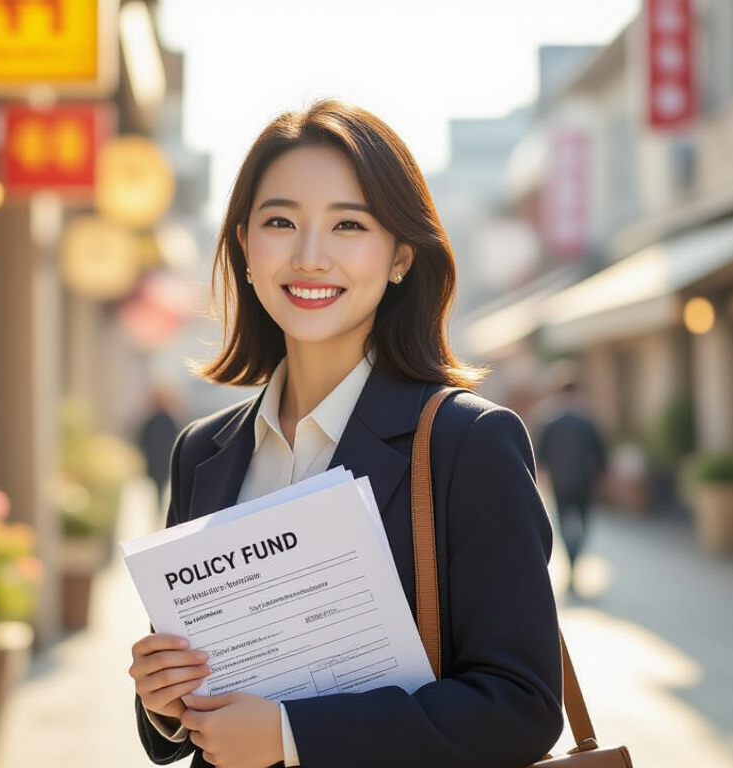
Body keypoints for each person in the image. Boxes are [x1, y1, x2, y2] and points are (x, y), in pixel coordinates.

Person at [128, 101, 562, 768]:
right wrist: (165, 702)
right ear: (245, 246)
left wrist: (290, 737)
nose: (309, 256)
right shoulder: (202, 453)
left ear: (399, 258)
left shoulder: (466, 444)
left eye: (348, 225)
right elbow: (190, 704)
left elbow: (522, 707)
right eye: (280, 222)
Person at [533, 367, 608, 596]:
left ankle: (572, 561)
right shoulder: (587, 420)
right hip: (584, 479)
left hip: (560, 481)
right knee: (584, 524)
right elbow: (601, 452)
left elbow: (540, 454)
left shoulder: (548, 420)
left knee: (565, 524)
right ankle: (575, 561)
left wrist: (542, 479)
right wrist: (602, 476)